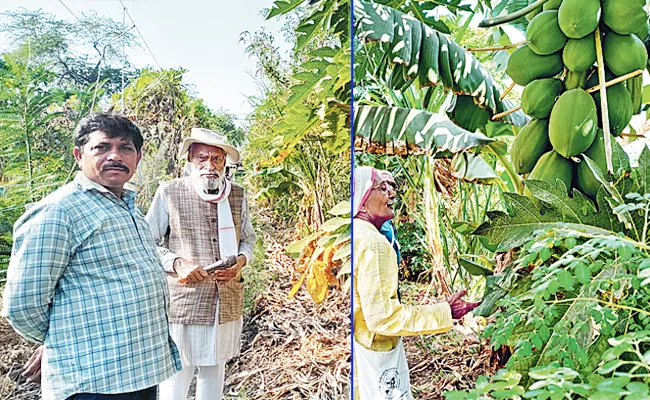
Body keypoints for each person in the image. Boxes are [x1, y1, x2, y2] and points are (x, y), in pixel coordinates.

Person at [1, 113, 181, 400]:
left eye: (125, 148)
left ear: (138, 157)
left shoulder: (128, 207)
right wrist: (58, 339)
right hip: (93, 381)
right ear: (78, 154)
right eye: (102, 147)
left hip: (140, 372)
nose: (115, 156)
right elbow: (22, 304)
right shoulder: (60, 211)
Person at [145, 128, 256, 400]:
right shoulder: (170, 192)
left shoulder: (237, 194)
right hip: (186, 301)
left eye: (216, 159)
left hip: (225, 299)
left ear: (225, 164)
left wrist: (240, 262)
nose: (210, 166)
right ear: (189, 161)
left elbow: (248, 240)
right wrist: (177, 263)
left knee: (214, 370)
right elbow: (148, 242)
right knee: (177, 373)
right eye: (202, 158)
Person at [353, 166, 480, 400]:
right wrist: (444, 311)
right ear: (363, 197)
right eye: (383, 187)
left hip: (360, 344)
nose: (392, 193)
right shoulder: (374, 245)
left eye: (393, 186)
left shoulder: (356, 234)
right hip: (374, 349)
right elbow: (383, 318)